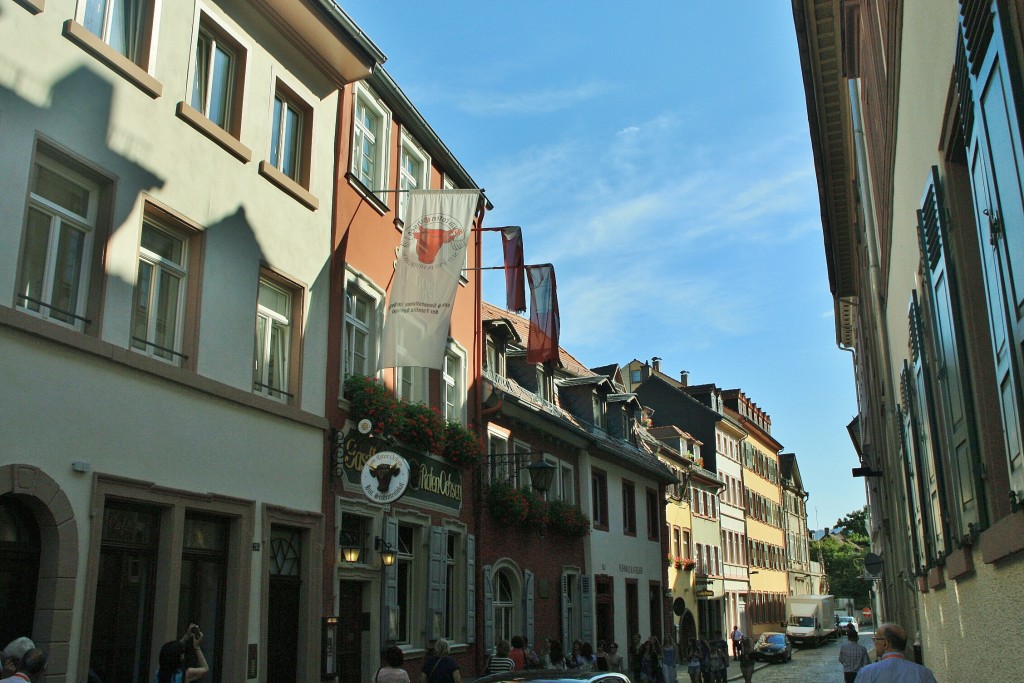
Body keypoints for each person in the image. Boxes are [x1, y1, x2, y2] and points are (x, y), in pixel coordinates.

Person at [854, 623, 936, 683]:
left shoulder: (866, 673)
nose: (875, 643)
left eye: (876, 639)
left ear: (885, 643)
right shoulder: (924, 673)